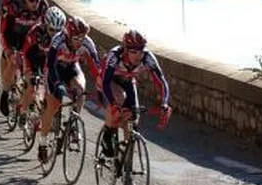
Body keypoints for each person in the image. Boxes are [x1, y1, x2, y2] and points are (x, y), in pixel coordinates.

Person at [38, 16, 102, 164]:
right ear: (68, 35)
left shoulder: (87, 43)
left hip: (72, 68)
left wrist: (100, 88)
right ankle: (42, 142)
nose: (80, 41)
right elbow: (51, 66)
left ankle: (73, 121)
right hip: (55, 70)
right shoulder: (57, 41)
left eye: (83, 37)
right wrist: (57, 84)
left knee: (80, 89)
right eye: (76, 38)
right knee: (53, 104)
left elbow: (96, 68)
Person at [100, 29, 172, 158]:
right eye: (133, 51)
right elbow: (105, 83)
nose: (138, 55)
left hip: (128, 81)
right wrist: (113, 104)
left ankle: (125, 159)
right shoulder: (115, 56)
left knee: (134, 118)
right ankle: (108, 133)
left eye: (141, 50)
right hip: (110, 81)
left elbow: (161, 82)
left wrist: (165, 103)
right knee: (119, 101)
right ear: (126, 49)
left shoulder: (148, 57)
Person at [0, 0, 48, 116]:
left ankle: (30, 95)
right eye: (31, 1)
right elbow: (4, 30)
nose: (35, 4)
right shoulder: (14, 7)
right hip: (13, 34)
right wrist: (8, 49)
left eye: (37, 0)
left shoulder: (43, 7)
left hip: (30, 37)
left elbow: (46, 30)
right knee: (13, 62)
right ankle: (5, 92)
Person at [17, 6, 66, 125]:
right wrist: (25, 70)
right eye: (52, 30)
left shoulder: (63, 38)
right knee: (32, 87)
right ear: (45, 25)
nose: (55, 34)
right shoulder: (36, 32)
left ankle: (44, 111)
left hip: (48, 61)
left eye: (58, 31)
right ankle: (23, 112)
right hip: (33, 58)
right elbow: (25, 51)